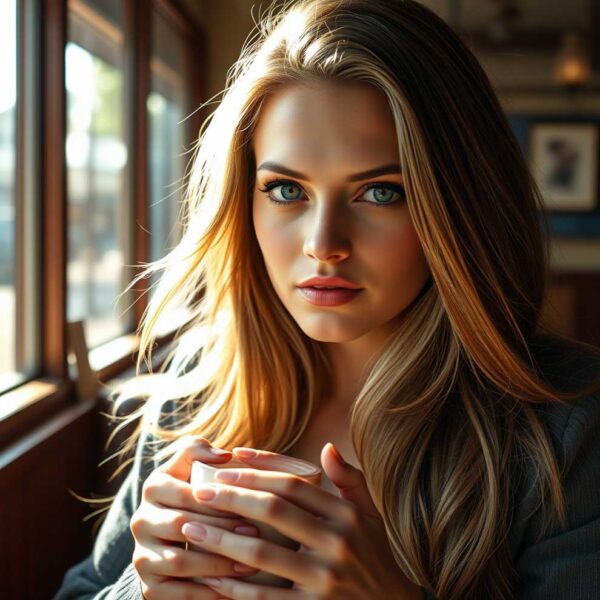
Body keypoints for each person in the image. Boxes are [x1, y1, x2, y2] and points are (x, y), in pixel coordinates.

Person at [55, 1, 600, 599]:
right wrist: (143, 587)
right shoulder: (197, 390)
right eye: (286, 189)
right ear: (244, 201)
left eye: (380, 192)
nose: (324, 245)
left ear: (458, 206)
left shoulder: (568, 429)